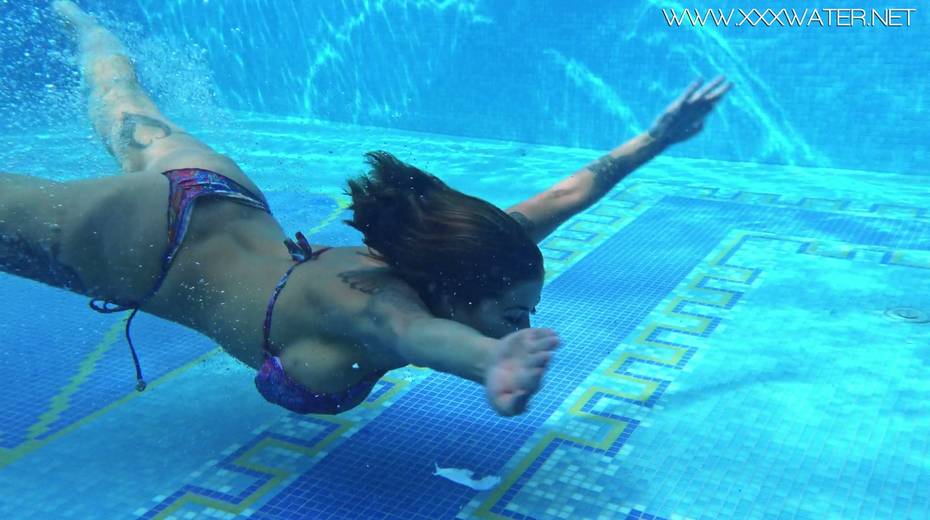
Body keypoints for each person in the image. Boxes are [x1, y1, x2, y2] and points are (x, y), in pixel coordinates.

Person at [0, 0, 730, 417]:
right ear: (454, 292)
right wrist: (490, 359)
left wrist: (657, 139)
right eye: (513, 316)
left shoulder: (461, 254)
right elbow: (413, 334)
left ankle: (83, 24)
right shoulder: (376, 308)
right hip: (144, 245)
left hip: (216, 189)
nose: (522, 326)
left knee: (122, 100)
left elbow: (568, 195)